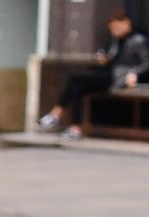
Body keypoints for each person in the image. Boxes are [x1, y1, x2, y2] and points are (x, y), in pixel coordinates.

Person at [39, 8, 148, 139]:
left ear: (126, 22)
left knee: (75, 78)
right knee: (77, 86)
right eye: (112, 29)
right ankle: (74, 128)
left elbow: (146, 63)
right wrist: (106, 60)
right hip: (109, 73)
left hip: (118, 78)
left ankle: (57, 115)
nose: (114, 31)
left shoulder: (138, 40)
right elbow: (116, 60)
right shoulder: (117, 40)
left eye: (116, 27)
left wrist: (134, 74)